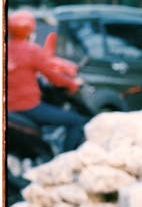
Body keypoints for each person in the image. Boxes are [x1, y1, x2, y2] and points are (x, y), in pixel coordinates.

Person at [7, 10, 86, 152]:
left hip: (9, 108)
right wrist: (73, 84)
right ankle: (64, 160)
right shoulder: (32, 50)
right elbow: (54, 77)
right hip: (28, 108)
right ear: (30, 30)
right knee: (77, 121)